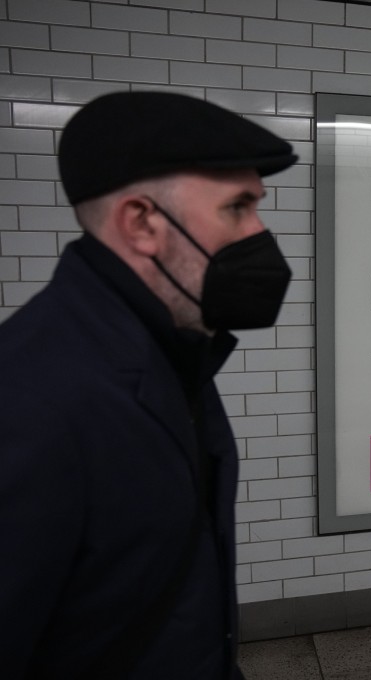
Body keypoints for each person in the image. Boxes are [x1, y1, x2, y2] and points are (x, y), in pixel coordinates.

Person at [0, 91, 298, 679]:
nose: (260, 234)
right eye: (237, 208)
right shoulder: (28, 404)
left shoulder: (172, 350)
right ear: (140, 223)